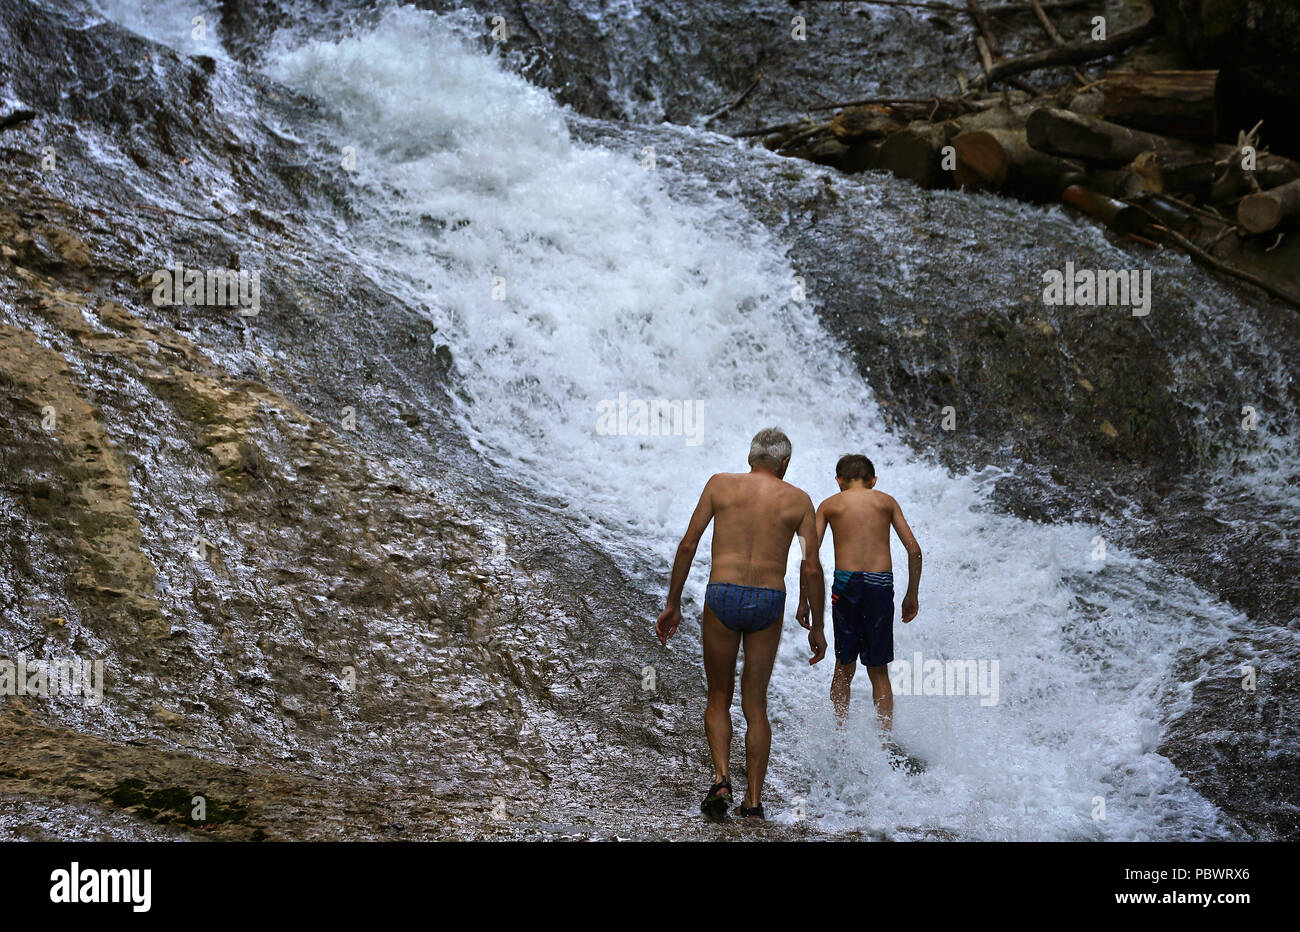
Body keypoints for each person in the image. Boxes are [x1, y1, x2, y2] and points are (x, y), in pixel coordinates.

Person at [655, 428, 826, 820]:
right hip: (768, 598)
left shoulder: (720, 485)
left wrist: (672, 603)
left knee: (718, 696)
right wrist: (816, 626)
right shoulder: (799, 500)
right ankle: (752, 801)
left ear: (751, 459)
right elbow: (811, 566)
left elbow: (688, 544)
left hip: (723, 594)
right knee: (756, 704)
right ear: (784, 464)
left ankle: (720, 779)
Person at [805, 453, 921, 736]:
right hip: (881, 584)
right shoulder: (886, 501)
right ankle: (884, 740)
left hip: (847, 584)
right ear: (873, 480)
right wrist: (911, 595)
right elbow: (914, 551)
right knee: (878, 669)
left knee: (844, 664)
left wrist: (804, 601)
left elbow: (810, 556)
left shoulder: (829, 505)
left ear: (839, 482)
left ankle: (839, 734)